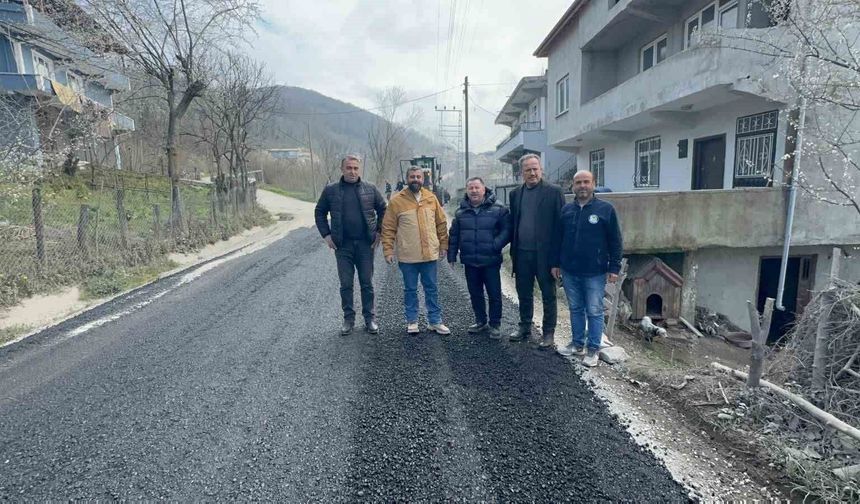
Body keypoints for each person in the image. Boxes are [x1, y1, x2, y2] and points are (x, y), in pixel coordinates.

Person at [556, 170, 623, 367]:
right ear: (573, 187)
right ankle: (577, 344)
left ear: (593, 184)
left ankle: (593, 349)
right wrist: (556, 263)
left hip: (595, 271)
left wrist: (614, 268)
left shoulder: (606, 210)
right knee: (576, 308)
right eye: (578, 183)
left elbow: (615, 241)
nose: (582, 186)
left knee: (594, 310)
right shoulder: (567, 210)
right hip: (569, 270)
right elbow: (558, 239)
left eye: (586, 182)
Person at [314, 155, 387, 336]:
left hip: (365, 245)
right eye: (349, 168)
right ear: (342, 169)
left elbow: (384, 209)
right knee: (346, 284)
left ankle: (370, 319)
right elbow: (319, 212)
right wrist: (326, 235)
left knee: (366, 283)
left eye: (355, 168)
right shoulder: (331, 191)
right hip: (342, 245)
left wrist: (379, 232)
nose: (352, 171)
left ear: (359, 169)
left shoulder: (370, 189)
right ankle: (348, 319)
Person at [381, 166, 451, 335]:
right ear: (407, 179)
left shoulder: (431, 198)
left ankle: (435, 321)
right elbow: (388, 228)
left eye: (418, 177)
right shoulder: (397, 201)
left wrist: (443, 245)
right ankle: (412, 321)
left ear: (423, 179)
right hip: (408, 256)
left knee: (431, 288)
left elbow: (441, 223)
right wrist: (388, 250)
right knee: (410, 289)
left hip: (429, 255)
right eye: (412, 177)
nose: (416, 179)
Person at [508, 153, 565, 349]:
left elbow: (560, 228)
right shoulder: (515, 194)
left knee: (548, 295)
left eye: (535, 169)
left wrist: (557, 261)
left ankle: (548, 333)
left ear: (541, 169)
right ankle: (525, 327)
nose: (532, 173)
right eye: (528, 170)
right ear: (521, 173)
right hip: (522, 254)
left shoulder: (554, 192)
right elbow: (514, 223)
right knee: (523, 293)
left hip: (546, 256)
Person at [447, 177, 511, 339]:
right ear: (467, 191)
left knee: (494, 293)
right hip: (470, 261)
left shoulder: (498, 209)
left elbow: (507, 230)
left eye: (477, 187)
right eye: (471, 188)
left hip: (491, 261)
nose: (474, 191)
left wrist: (495, 245)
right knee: (475, 293)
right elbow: (454, 235)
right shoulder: (461, 212)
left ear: (484, 189)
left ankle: (495, 324)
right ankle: (480, 321)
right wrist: (452, 254)